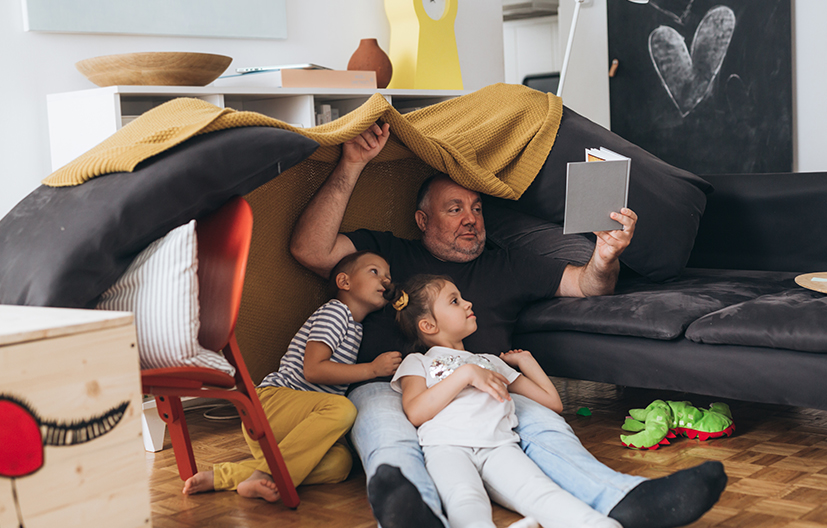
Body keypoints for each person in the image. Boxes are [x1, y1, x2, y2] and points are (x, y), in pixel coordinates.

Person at [290, 122, 727, 528]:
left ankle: (624, 499)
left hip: (490, 386)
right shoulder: (386, 256)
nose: (470, 218)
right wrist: (352, 163)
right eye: (455, 209)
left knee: (549, 430)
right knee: (387, 435)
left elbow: (588, 285)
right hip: (390, 383)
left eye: (477, 208)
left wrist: (606, 255)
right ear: (423, 221)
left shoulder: (509, 264)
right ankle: (414, 516)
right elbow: (310, 250)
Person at [389, 273, 622, 528]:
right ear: (428, 326)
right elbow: (416, 411)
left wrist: (527, 362)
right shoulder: (418, 362)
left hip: (500, 446)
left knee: (540, 491)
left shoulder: (490, 361)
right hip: (446, 447)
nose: (468, 303)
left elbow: (552, 403)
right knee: (465, 501)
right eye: (454, 301)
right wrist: (465, 374)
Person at [181, 250, 402, 502]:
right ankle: (265, 473)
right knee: (343, 409)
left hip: (296, 431)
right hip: (271, 406)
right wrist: (372, 370)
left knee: (340, 464)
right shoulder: (336, 312)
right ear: (344, 282)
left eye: (388, 276)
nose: (385, 281)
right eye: (374, 271)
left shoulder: (356, 328)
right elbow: (313, 369)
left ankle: (231, 476)